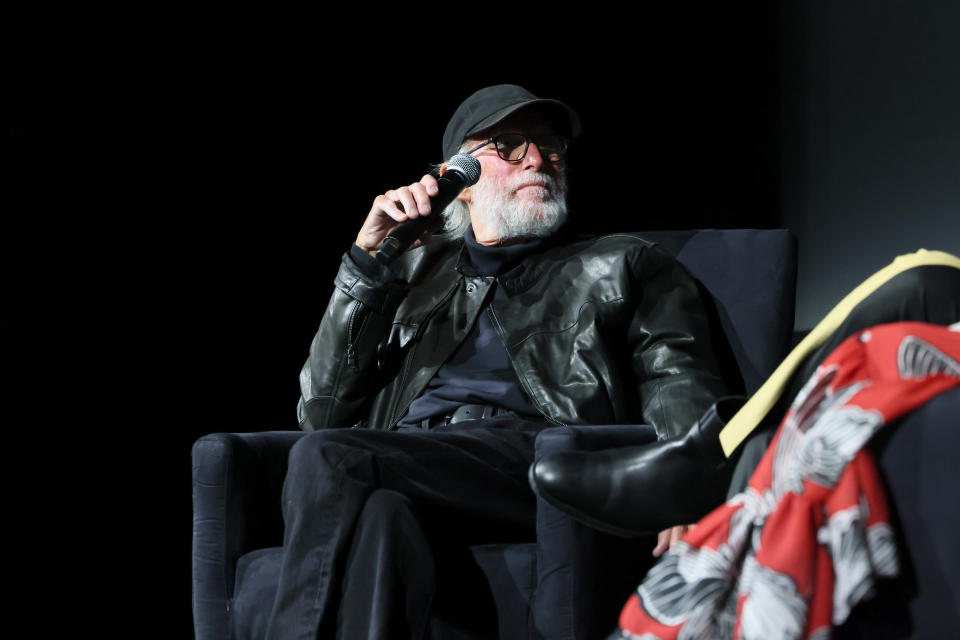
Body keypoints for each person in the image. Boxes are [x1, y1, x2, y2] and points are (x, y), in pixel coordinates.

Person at [265, 84, 730, 639]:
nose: (538, 158)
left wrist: (688, 486)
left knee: (331, 460)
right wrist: (367, 269)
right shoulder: (413, 274)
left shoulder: (621, 263)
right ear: (456, 178)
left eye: (549, 145)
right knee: (382, 516)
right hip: (414, 461)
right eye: (508, 145)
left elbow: (676, 378)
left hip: (538, 456)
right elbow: (322, 411)